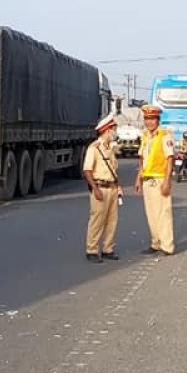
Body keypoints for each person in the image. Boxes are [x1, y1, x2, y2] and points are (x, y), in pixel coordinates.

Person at [82, 113, 123, 263]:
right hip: (100, 187)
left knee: (112, 220)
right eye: (113, 129)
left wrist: (118, 186)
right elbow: (87, 170)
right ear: (106, 130)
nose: (115, 132)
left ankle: (108, 249)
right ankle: (91, 250)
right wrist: (95, 188)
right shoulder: (94, 148)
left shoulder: (109, 149)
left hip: (112, 188)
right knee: (97, 220)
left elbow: (113, 170)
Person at [135, 104, 175, 256]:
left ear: (158, 120)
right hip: (147, 179)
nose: (149, 122)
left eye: (152, 119)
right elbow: (142, 159)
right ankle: (155, 243)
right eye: (146, 119)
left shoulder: (165, 136)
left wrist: (167, 182)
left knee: (163, 213)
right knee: (151, 214)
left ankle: (167, 245)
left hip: (160, 179)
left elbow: (170, 159)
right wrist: (138, 179)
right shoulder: (145, 136)